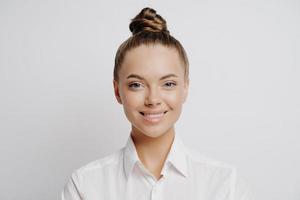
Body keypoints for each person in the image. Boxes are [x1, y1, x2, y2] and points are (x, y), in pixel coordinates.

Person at [61, 7, 252, 200]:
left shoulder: (225, 185)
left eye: (168, 84)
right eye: (136, 85)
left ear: (185, 88)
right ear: (117, 91)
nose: (153, 100)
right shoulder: (84, 185)